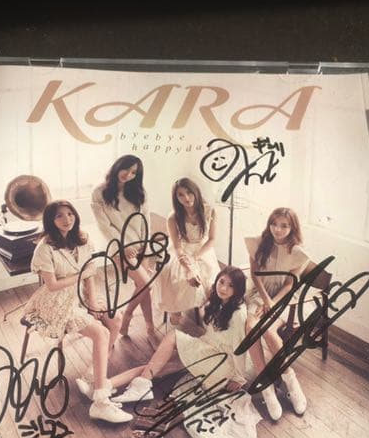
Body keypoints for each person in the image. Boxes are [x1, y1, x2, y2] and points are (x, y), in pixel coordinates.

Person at [23, 200, 131, 423]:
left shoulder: (83, 239)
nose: (67, 219)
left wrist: (92, 303)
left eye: (70, 214)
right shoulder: (44, 248)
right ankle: (101, 402)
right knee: (101, 333)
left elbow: (90, 275)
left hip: (80, 296)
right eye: (59, 216)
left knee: (114, 319)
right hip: (55, 302)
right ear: (51, 221)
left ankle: (92, 376)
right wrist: (81, 275)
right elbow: (52, 285)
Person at [111, 266, 249, 404]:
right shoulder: (219, 300)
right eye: (221, 282)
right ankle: (107, 385)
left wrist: (239, 378)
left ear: (238, 289)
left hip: (220, 362)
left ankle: (139, 385)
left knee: (172, 337)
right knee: (154, 367)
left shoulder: (238, 314)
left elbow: (240, 348)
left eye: (231, 286)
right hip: (207, 350)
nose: (223, 288)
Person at [243, 207, 313, 420]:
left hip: (284, 298)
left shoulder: (297, 253)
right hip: (260, 293)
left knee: (268, 330)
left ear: (293, 228)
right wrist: (266, 300)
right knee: (250, 326)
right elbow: (255, 275)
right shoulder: (258, 243)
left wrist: (273, 304)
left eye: (284, 225)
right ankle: (266, 386)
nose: (278, 229)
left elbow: (290, 285)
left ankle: (290, 379)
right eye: (274, 224)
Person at [91, 155, 157, 341]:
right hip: (117, 246)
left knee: (143, 287)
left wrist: (145, 246)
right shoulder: (99, 192)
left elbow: (146, 220)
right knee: (146, 284)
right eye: (126, 169)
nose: (128, 175)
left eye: (134, 172)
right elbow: (104, 226)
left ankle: (150, 328)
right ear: (117, 166)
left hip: (141, 245)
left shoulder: (139, 192)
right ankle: (127, 315)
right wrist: (124, 246)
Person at [158, 178, 219, 325]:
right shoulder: (173, 217)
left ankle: (209, 311)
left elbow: (212, 239)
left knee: (209, 281)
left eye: (189, 192)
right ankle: (175, 311)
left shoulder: (209, 211)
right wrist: (187, 265)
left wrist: (196, 256)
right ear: (176, 198)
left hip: (202, 250)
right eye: (180, 195)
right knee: (177, 278)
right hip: (181, 251)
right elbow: (177, 246)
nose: (186, 198)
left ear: (196, 192)